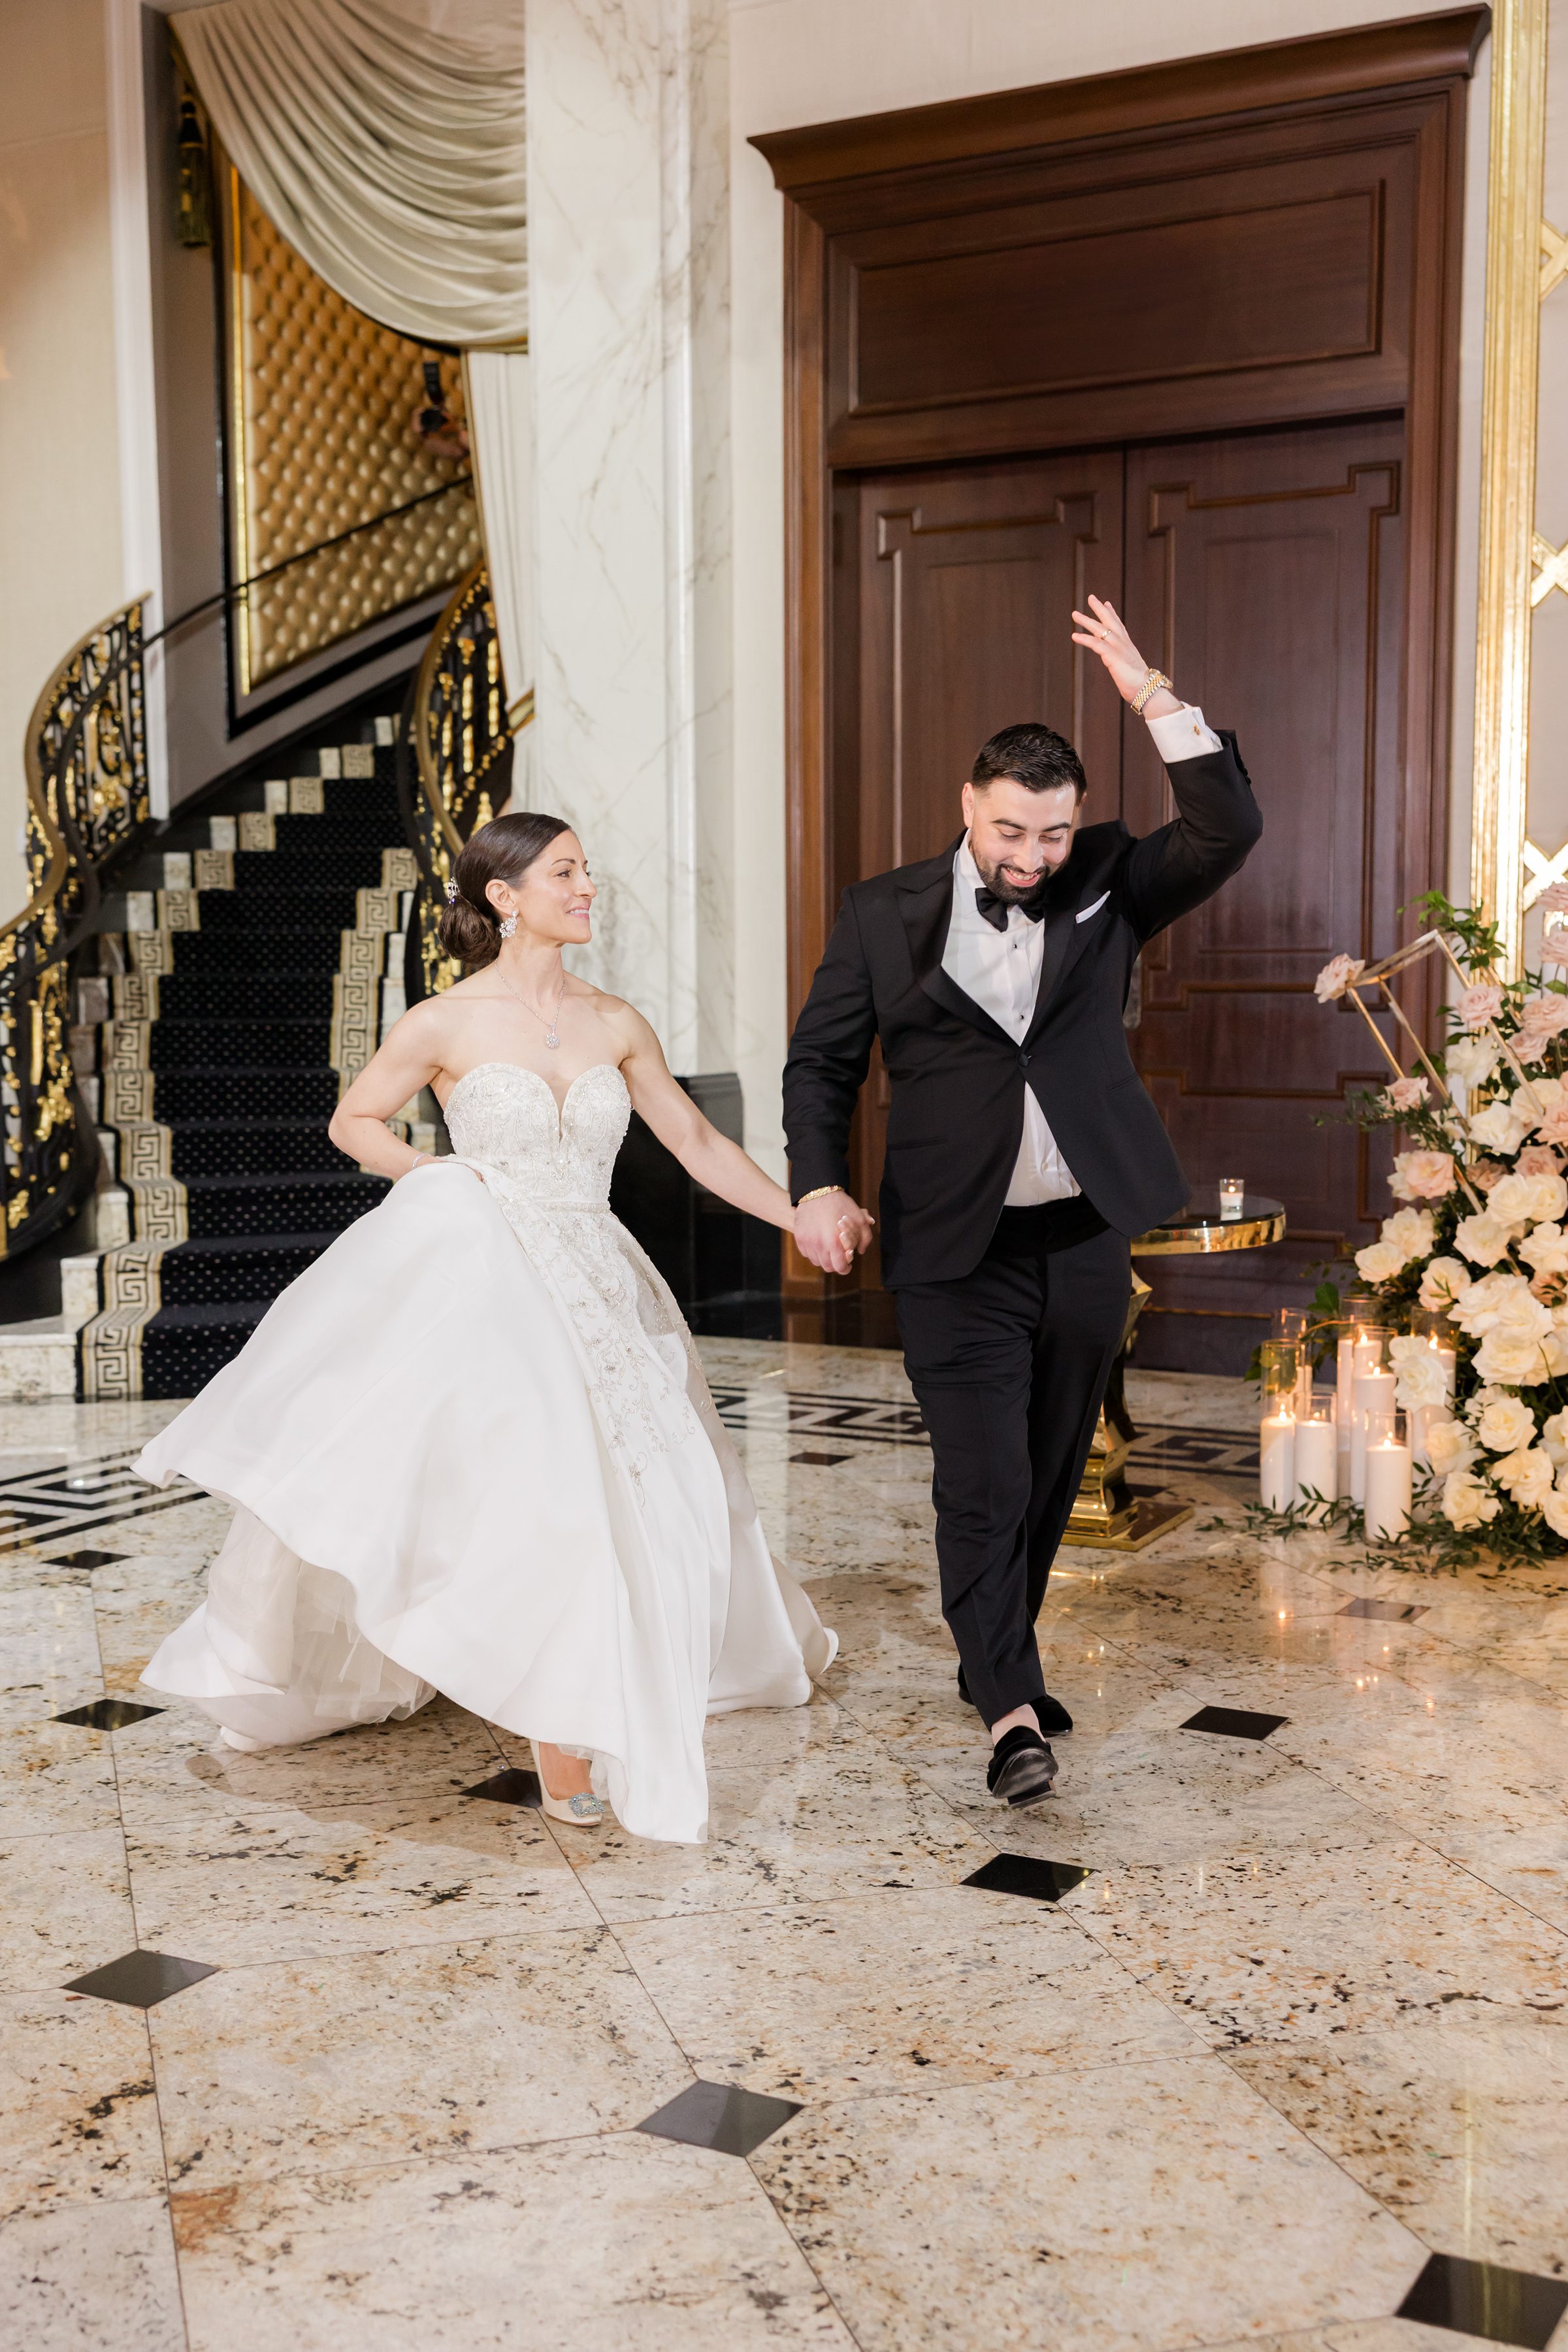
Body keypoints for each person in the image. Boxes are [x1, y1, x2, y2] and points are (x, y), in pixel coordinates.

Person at [137, 813, 836, 1846]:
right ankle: (563, 1728)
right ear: (505, 897)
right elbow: (353, 1123)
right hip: (488, 1281)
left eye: (588, 870)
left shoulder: (616, 1021)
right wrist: (449, 1181)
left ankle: (597, 1667)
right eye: (567, 873)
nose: (589, 886)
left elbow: (693, 1141)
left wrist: (796, 1213)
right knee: (544, 1490)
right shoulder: (443, 1022)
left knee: (633, 1480)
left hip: (599, 1276)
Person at [783, 596, 1262, 1812]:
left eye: (1051, 833)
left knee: (1050, 1470)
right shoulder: (882, 914)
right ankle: (1007, 1708)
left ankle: (997, 1647)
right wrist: (818, 1181)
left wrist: (1155, 693)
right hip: (953, 1244)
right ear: (968, 805)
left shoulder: (1109, 879)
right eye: (1011, 830)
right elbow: (822, 1065)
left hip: (1085, 1233)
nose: (1033, 857)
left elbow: (1228, 825)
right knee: (982, 1477)